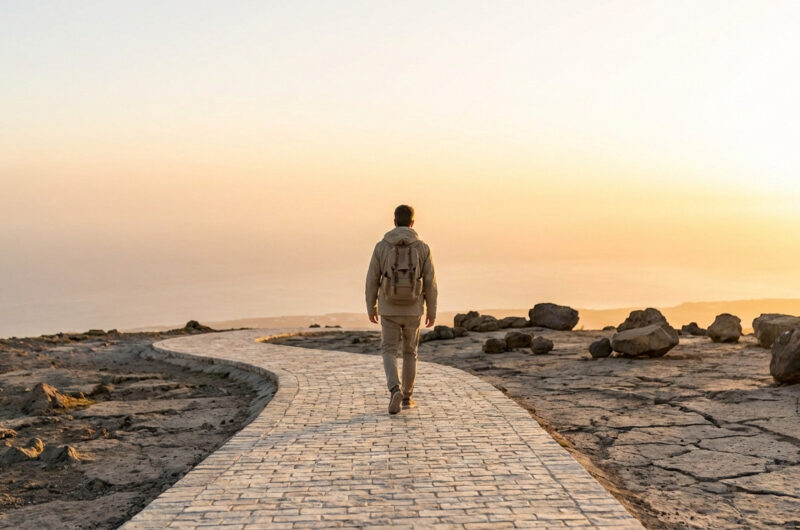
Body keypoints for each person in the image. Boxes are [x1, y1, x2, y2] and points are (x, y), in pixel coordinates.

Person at [365, 204, 438, 414]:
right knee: (410, 352)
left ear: (394, 221)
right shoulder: (422, 247)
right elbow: (431, 282)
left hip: (388, 308)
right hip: (414, 308)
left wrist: (371, 306)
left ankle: (394, 388)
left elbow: (372, 278)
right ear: (412, 222)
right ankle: (407, 397)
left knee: (388, 350)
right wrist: (431, 310)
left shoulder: (382, 246)